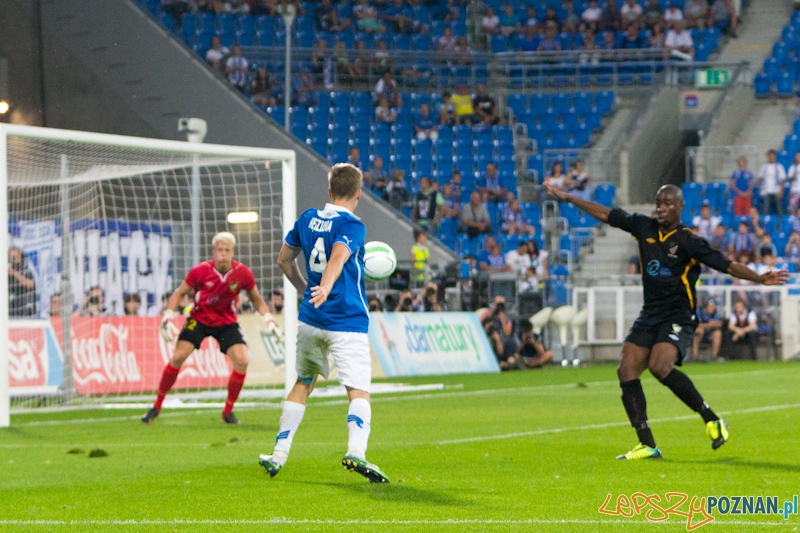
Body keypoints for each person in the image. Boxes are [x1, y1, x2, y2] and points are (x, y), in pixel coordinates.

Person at [545, 181, 788, 460]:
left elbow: (726, 264)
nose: (660, 208)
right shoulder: (643, 226)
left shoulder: (688, 241)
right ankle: (647, 445)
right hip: (651, 313)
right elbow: (606, 214)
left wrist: (758, 277)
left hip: (678, 314)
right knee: (626, 371)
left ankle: (712, 419)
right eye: (658, 203)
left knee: (660, 366)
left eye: (667, 203)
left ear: (680, 207)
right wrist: (569, 198)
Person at [259, 163, 390, 483]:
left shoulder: (305, 219)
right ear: (359, 194)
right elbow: (338, 256)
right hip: (346, 322)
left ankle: (278, 454)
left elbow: (283, 261)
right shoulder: (353, 225)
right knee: (358, 391)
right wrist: (328, 285)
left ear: (329, 191)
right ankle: (356, 452)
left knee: (303, 382)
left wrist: (306, 289)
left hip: (310, 320)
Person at [141, 232, 281, 425]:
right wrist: (168, 317)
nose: (223, 253)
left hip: (226, 322)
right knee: (178, 357)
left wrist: (269, 320)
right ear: (214, 252)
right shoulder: (200, 271)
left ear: (232, 252)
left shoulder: (242, 273)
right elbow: (179, 293)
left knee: (242, 360)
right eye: (220, 250)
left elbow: (256, 299)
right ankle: (156, 406)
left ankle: (228, 412)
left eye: (227, 250)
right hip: (199, 319)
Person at [758, 149, 787, 221]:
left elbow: (782, 180)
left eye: (773, 156)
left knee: (779, 210)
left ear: (775, 156)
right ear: (768, 156)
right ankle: (765, 224)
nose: (771, 157)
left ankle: (780, 225)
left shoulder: (779, 166)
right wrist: (760, 189)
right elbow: (759, 179)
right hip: (767, 191)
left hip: (776, 191)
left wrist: (781, 191)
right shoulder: (764, 167)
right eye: (770, 156)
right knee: (765, 209)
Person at [8, 246, 36, 317]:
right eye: (11, 257)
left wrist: (15, 273)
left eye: (15, 257)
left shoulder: (26, 272)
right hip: (10, 312)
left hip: (25, 313)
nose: (13, 260)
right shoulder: (6, 274)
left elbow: (30, 284)